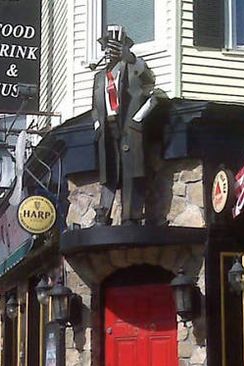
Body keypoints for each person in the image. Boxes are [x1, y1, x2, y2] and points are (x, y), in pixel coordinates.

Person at [91, 25, 159, 225]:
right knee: (109, 171)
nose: (109, 51)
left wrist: (130, 58)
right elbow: (95, 106)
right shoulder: (99, 77)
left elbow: (150, 80)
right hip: (107, 128)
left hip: (128, 125)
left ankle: (131, 216)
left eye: (114, 46)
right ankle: (104, 214)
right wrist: (97, 126)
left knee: (131, 170)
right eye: (106, 47)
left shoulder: (131, 69)